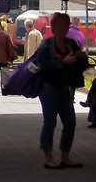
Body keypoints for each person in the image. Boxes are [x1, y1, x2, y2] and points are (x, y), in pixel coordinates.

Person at [34, 12, 89, 169]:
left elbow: (80, 65)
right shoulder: (46, 44)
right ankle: (48, 157)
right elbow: (42, 65)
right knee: (50, 122)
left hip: (66, 88)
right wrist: (62, 61)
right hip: (49, 88)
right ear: (53, 27)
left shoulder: (71, 43)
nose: (63, 29)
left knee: (70, 122)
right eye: (60, 26)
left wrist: (81, 58)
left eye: (66, 25)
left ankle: (65, 156)